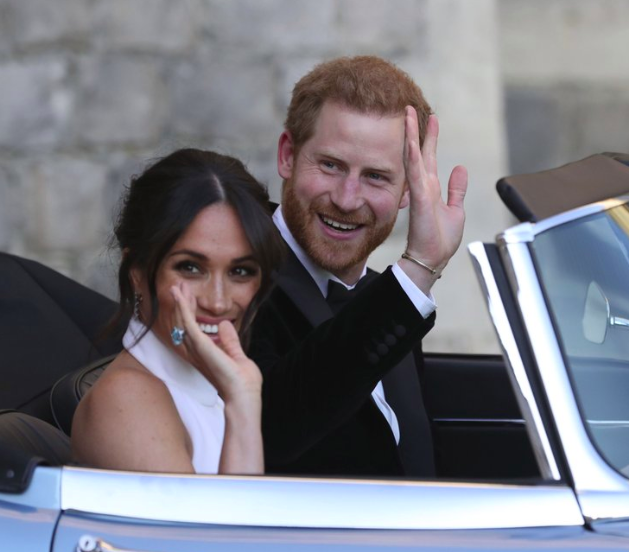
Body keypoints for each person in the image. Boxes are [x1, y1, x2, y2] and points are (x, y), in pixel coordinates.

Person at [249, 56, 468, 477]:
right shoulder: (236, 276)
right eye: (330, 165)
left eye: (376, 177)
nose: (347, 199)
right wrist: (420, 268)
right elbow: (272, 431)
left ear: (408, 191)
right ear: (288, 156)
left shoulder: (385, 297)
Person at [72, 148, 285, 474]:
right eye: (190, 268)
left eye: (240, 272)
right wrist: (242, 403)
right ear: (138, 273)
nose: (217, 301)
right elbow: (228, 527)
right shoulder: (127, 400)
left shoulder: (206, 385)